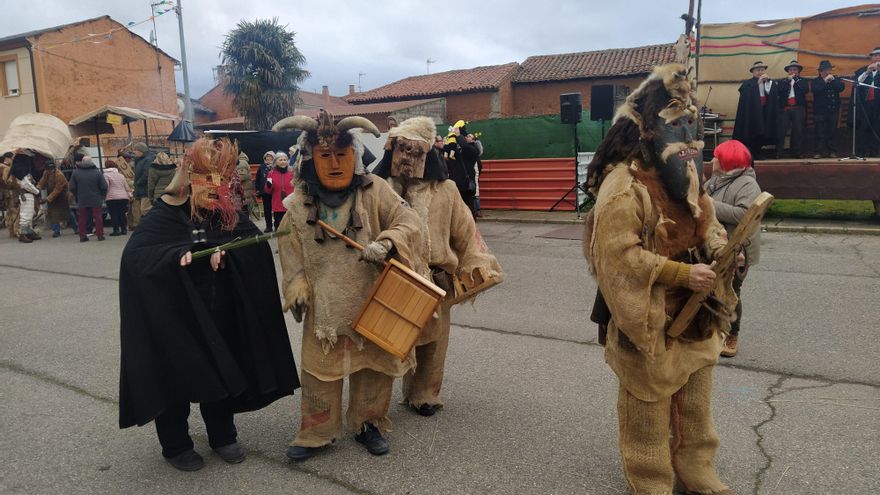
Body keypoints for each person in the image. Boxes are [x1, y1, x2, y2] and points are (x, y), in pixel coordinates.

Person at [583, 64, 737, 495]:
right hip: (650, 313)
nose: (688, 127)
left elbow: (706, 221)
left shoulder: (688, 178)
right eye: (676, 117)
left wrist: (720, 249)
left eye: (692, 117)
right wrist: (681, 274)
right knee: (647, 405)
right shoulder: (624, 185)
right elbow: (618, 255)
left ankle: (695, 466)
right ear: (647, 127)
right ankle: (650, 478)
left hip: (697, 311)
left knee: (695, 397)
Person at [119, 137, 299, 472]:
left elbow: (251, 243)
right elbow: (137, 258)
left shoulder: (223, 210)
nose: (215, 190)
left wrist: (228, 252)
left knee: (221, 371)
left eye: (221, 182)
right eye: (208, 181)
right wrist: (175, 255)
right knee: (176, 377)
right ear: (189, 177)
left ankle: (222, 435)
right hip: (177, 318)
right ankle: (175, 444)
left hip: (219, 311)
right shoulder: (167, 211)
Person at [272, 111, 421, 461]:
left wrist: (387, 243)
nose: (335, 163)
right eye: (325, 156)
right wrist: (296, 285)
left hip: (372, 302)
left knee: (372, 367)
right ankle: (317, 432)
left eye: (342, 155)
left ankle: (368, 424)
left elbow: (409, 221)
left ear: (354, 157)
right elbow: (290, 254)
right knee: (319, 373)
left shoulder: (376, 191)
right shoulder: (294, 207)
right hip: (326, 308)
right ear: (311, 159)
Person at [373, 116, 502, 416]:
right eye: (400, 150)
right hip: (391, 275)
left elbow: (465, 231)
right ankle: (374, 402)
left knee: (434, 341)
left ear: (427, 153)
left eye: (414, 151)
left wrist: (476, 263)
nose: (406, 159)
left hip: (435, 277)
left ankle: (425, 393)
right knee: (388, 338)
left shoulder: (447, 191)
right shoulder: (377, 189)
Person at [704, 140, 761, 358]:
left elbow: (744, 215)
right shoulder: (717, 180)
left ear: (727, 160)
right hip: (718, 246)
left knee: (731, 293)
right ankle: (713, 332)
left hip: (738, 251)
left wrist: (707, 204)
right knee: (711, 290)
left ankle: (732, 336)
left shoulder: (747, 184)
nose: (712, 160)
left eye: (716, 156)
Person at [732, 61, 779, 159]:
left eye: (762, 70)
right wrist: (757, 84)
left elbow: (773, 95)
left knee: (763, 132)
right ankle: (750, 153)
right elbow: (744, 94)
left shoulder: (769, 82)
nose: (760, 72)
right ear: (753, 72)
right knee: (753, 131)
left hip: (764, 111)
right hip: (752, 113)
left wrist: (769, 83)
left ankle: (757, 153)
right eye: (758, 70)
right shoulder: (748, 83)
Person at [69, 154, 108, 242]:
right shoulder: (97, 172)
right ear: (91, 162)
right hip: (96, 198)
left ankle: (82, 236)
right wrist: (102, 196)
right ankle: (100, 235)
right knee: (98, 217)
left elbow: (71, 187)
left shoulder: (76, 172)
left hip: (82, 198)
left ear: (82, 162)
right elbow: (104, 186)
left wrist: (77, 194)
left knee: (82, 217)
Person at [810, 61, 845, 158]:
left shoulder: (836, 79)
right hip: (820, 111)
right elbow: (816, 90)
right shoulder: (816, 81)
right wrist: (825, 81)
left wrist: (833, 80)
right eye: (825, 70)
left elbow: (841, 88)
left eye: (829, 69)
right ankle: (818, 152)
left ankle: (832, 151)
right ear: (820, 71)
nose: (827, 72)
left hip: (833, 109)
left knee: (832, 131)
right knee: (819, 132)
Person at [775, 60, 810, 159]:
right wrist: (788, 81)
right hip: (785, 109)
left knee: (798, 131)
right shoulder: (783, 81)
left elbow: (805, 90)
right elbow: (778, 91)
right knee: (781, 131)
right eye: (790, 70)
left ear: (798, 71)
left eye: (795, 69)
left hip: (798, 109)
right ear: (788, 71)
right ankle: (779, 152)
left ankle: (797, 152)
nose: (792, 71)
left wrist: (796, 80)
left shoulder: (802, 81)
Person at [10, 152, 42, 243]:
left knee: (30, 213)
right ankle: (23, 234)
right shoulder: (22, 173)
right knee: (26, 215)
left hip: (28, 194)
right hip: (26, 194)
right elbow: (27, 184)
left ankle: (29, 232)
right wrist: (37, 191)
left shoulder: (23, 173)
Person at [854, 47, 880, 157]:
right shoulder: (863, 70)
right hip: (866, 104)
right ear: (871, 58)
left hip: (878, 104)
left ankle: (875, 152)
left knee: (877, 126)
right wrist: (868, 71)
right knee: (864, 127)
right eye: (875, 55)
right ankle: (862, 152)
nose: (877, 57)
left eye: (879, 55)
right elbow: (857, 82)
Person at [36, 158, 69, 237]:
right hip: (52, 195)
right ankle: (56, 231)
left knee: (67, 213)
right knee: (53, 214)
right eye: (49, 169)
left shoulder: (59, 175)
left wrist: (47, 199)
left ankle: (76, 228)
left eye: (52, 169)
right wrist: (37, 189)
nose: (51, 171)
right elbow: (42, 182)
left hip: (61, 196)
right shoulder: (46, 173)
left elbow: (57, 189)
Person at [263, 151, 294, 230]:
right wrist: (269, 185)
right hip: (278, 205)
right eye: (280, 160)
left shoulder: (292, 173)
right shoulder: (271, 174)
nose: (283, 162)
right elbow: (267, 191)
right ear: (276, 162)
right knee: (280, 227)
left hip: (290, 205)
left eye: (285, 160)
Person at [104, 159, 132, 236]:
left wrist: (103, 195)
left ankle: (116, 230)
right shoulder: (121, 175)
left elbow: (106, 186)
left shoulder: (106, 175)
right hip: (123, 197)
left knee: (114, 214)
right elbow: (126, 186)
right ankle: (124, 229)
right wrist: (129, 195)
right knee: (122, 213)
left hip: (112, 197)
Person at [131, 142, 156, 227]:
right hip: (140, 188)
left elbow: (146, 174)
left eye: (136, 150)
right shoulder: (140, 159)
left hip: (145, 188)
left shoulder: (147, 160)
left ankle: (152, 225)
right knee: (141, 210)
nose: (134, 152)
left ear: (141, 151)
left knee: (145, 209)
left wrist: (138, 182)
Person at [0, 151, 21, 238]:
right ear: (8, 158)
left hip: (5, 193)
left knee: (9, 212)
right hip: (11, 192)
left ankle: (11, 232)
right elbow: (9, 182)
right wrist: (19, 185)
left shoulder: (2, 167)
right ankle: (16, 231)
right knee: (15, 212)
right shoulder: (6, 168)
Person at [254, 151, 275, 232]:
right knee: (267, 210)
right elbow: (258, 179)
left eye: (270, 157)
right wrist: (258, 190)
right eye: (267, 157)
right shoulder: (261, 167)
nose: (268, 158)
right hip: (265, 192)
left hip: (274, 192)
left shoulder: (276, 167)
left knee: (276, 210)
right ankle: (269, 226)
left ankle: (277, 224)